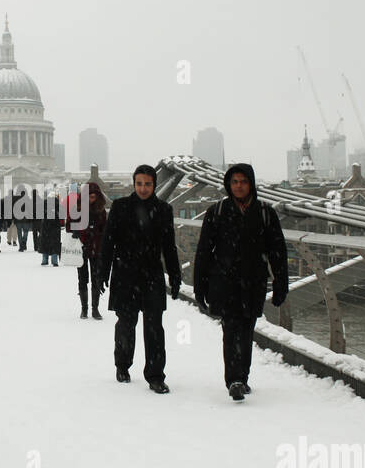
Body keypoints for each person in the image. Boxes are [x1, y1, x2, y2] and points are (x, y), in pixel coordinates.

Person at [193, 164, 289, 400]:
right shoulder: (216, 211)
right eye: (234, 182)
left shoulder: (266, 213)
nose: (239, 186)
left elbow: (278, 251)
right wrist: (200, 286)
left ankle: (242, 377)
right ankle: (234, 380)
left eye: (243, 182)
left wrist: (280, 284)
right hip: (224, 282)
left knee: (246, 331)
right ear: (228, 185)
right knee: (230, 329)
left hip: (253, 282)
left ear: (251, 184)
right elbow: (204, 251)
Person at [98, 164, 181, 393]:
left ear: (154, 185)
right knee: (126, 324)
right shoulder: (120, 207)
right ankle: (122, 365)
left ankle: (155, 375)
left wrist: (174, 276)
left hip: (152, 275)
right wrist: (102, 272)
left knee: (154, 326)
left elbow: (169, 247)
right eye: (139, 184)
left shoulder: (163, 210)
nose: (143, 188)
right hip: (125, 273)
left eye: (148, 184)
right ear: (133, 184)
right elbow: (108, 242)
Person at [70, 180, 108, 319]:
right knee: (82, 279)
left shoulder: (101, 211)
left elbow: (105, 229)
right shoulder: (78, 209)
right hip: (81, 249)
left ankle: (95, 309)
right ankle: (84, 309)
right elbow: (70, 225)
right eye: (89, 196)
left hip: (96, 249)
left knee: (96, 280)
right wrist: (75, 231)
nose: (91, 199)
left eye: (94, 197)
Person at [38, 190, 63, 266]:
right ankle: (54, 261)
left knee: (45, 242)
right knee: (55, 243)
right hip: (55, 226)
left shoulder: (44, 203)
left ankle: (44, 260)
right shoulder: (58, 204)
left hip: (45, 225)